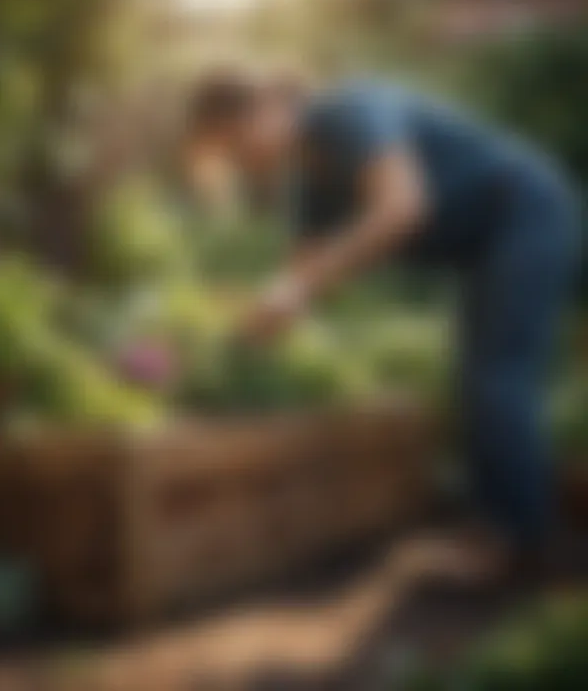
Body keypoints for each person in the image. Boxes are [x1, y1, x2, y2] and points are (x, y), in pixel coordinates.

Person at [186, 69, 581, 583]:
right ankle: (497, 532)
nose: (243, 161)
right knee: (476, 377)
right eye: (231, 157)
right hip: (493, 244)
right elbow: (303, 273)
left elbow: (401, 207)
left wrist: (298, 290)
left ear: (265, 108)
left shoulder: (346, 112)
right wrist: (251, 317)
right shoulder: (311, 180)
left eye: (238, 142)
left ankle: (519, 543)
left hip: (529, 213)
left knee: (497, 378)